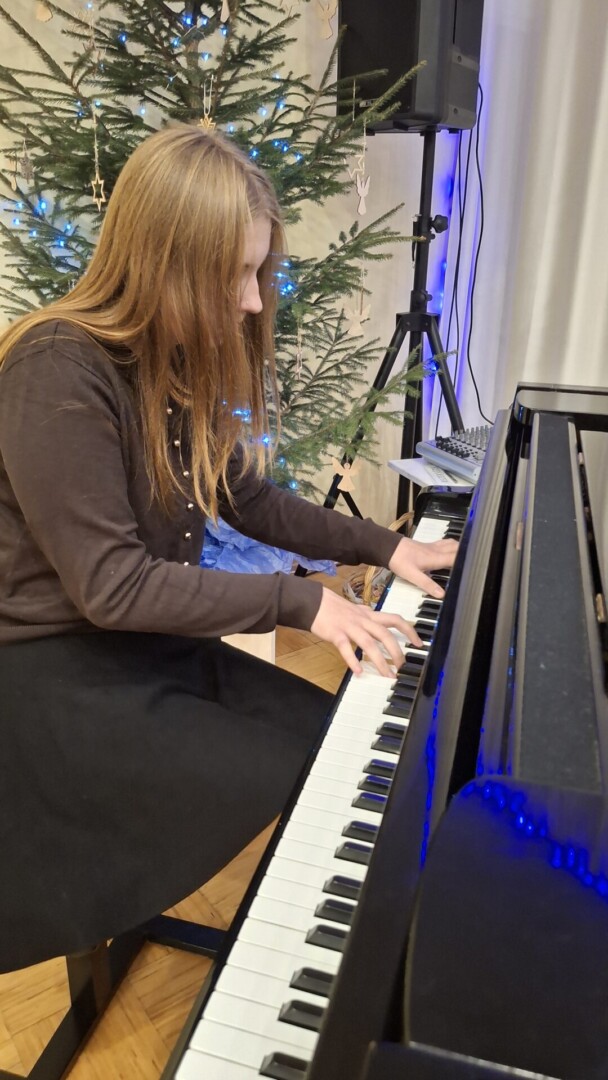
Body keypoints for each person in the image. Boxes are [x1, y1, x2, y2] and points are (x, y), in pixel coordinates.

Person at [0, 124, 456, 974]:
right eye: (233, 275)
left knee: (329, 745)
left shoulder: (167, 361)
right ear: (163, 264)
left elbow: (247, 498)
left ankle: (315, 959)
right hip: (51, 679)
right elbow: (111, 586)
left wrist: (385, 549)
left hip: (138, 651)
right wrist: (302, 602)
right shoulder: (54, 369)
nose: (250, 302)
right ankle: (282, 976)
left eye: (256, 273)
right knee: (290, 769)